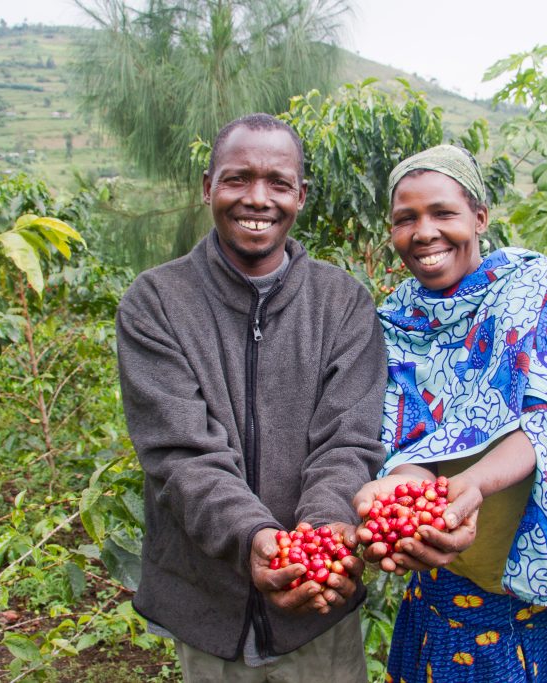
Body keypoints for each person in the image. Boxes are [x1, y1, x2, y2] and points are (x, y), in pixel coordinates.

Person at [115, 113, 387, 683]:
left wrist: (323, 531)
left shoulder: (342, 304)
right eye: (237, 179)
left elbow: (349, 439)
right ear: (208, 187)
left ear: (301, 195)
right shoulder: (157, 302)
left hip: (318, 608)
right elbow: (180, 453)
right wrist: (254, 539)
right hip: (209, 606)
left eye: (278, 183)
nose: (257, 199)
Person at [354, 145, 547, 682]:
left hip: (540, 589)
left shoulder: (535, 288)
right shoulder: (393, 324)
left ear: (480, 217)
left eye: (443, 213)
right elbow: (406, 441)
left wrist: (471, 484)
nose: (423, 232)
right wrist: (405, 496)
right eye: (405, 219)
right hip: (448, 581)